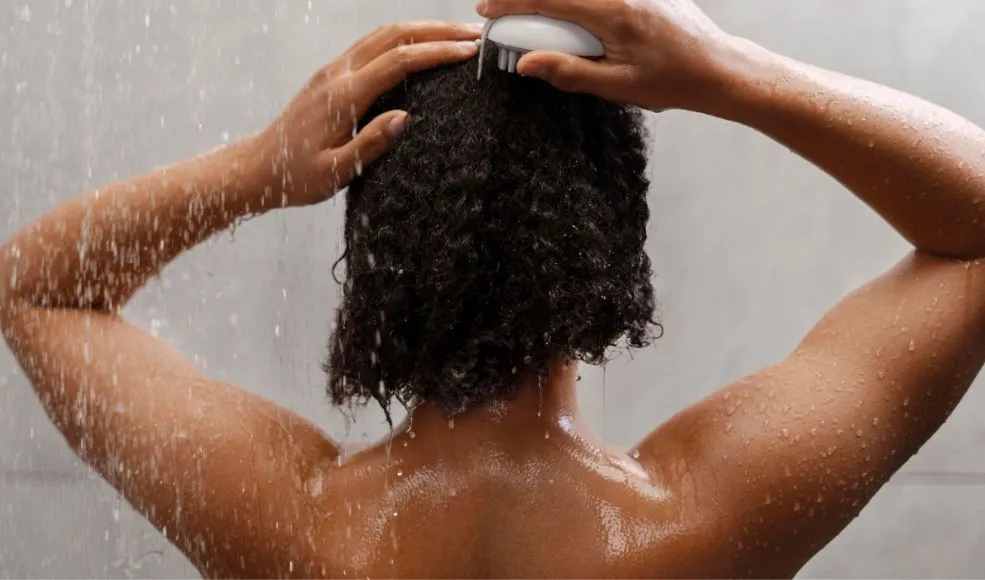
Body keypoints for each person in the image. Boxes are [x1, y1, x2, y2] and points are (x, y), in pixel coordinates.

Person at [3, 0, 985, 576]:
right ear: (611, 240)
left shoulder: (296, 533)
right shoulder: (699, 525)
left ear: (378, 238)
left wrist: (261, 168)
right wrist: (731, 72)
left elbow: (33, 289)